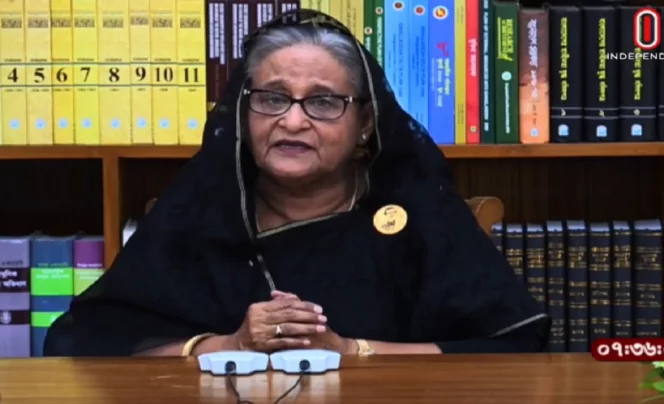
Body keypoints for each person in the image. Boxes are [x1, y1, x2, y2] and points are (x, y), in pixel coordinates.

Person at [44, 9, 550, 357]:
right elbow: (87, 343)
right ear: (243, 114)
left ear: (365, 124)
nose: (292, 121)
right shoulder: (199, 213)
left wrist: (351, 350)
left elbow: (512, 343)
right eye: (272, 98)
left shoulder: (418, 213)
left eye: (323, 102)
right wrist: (230, 345)